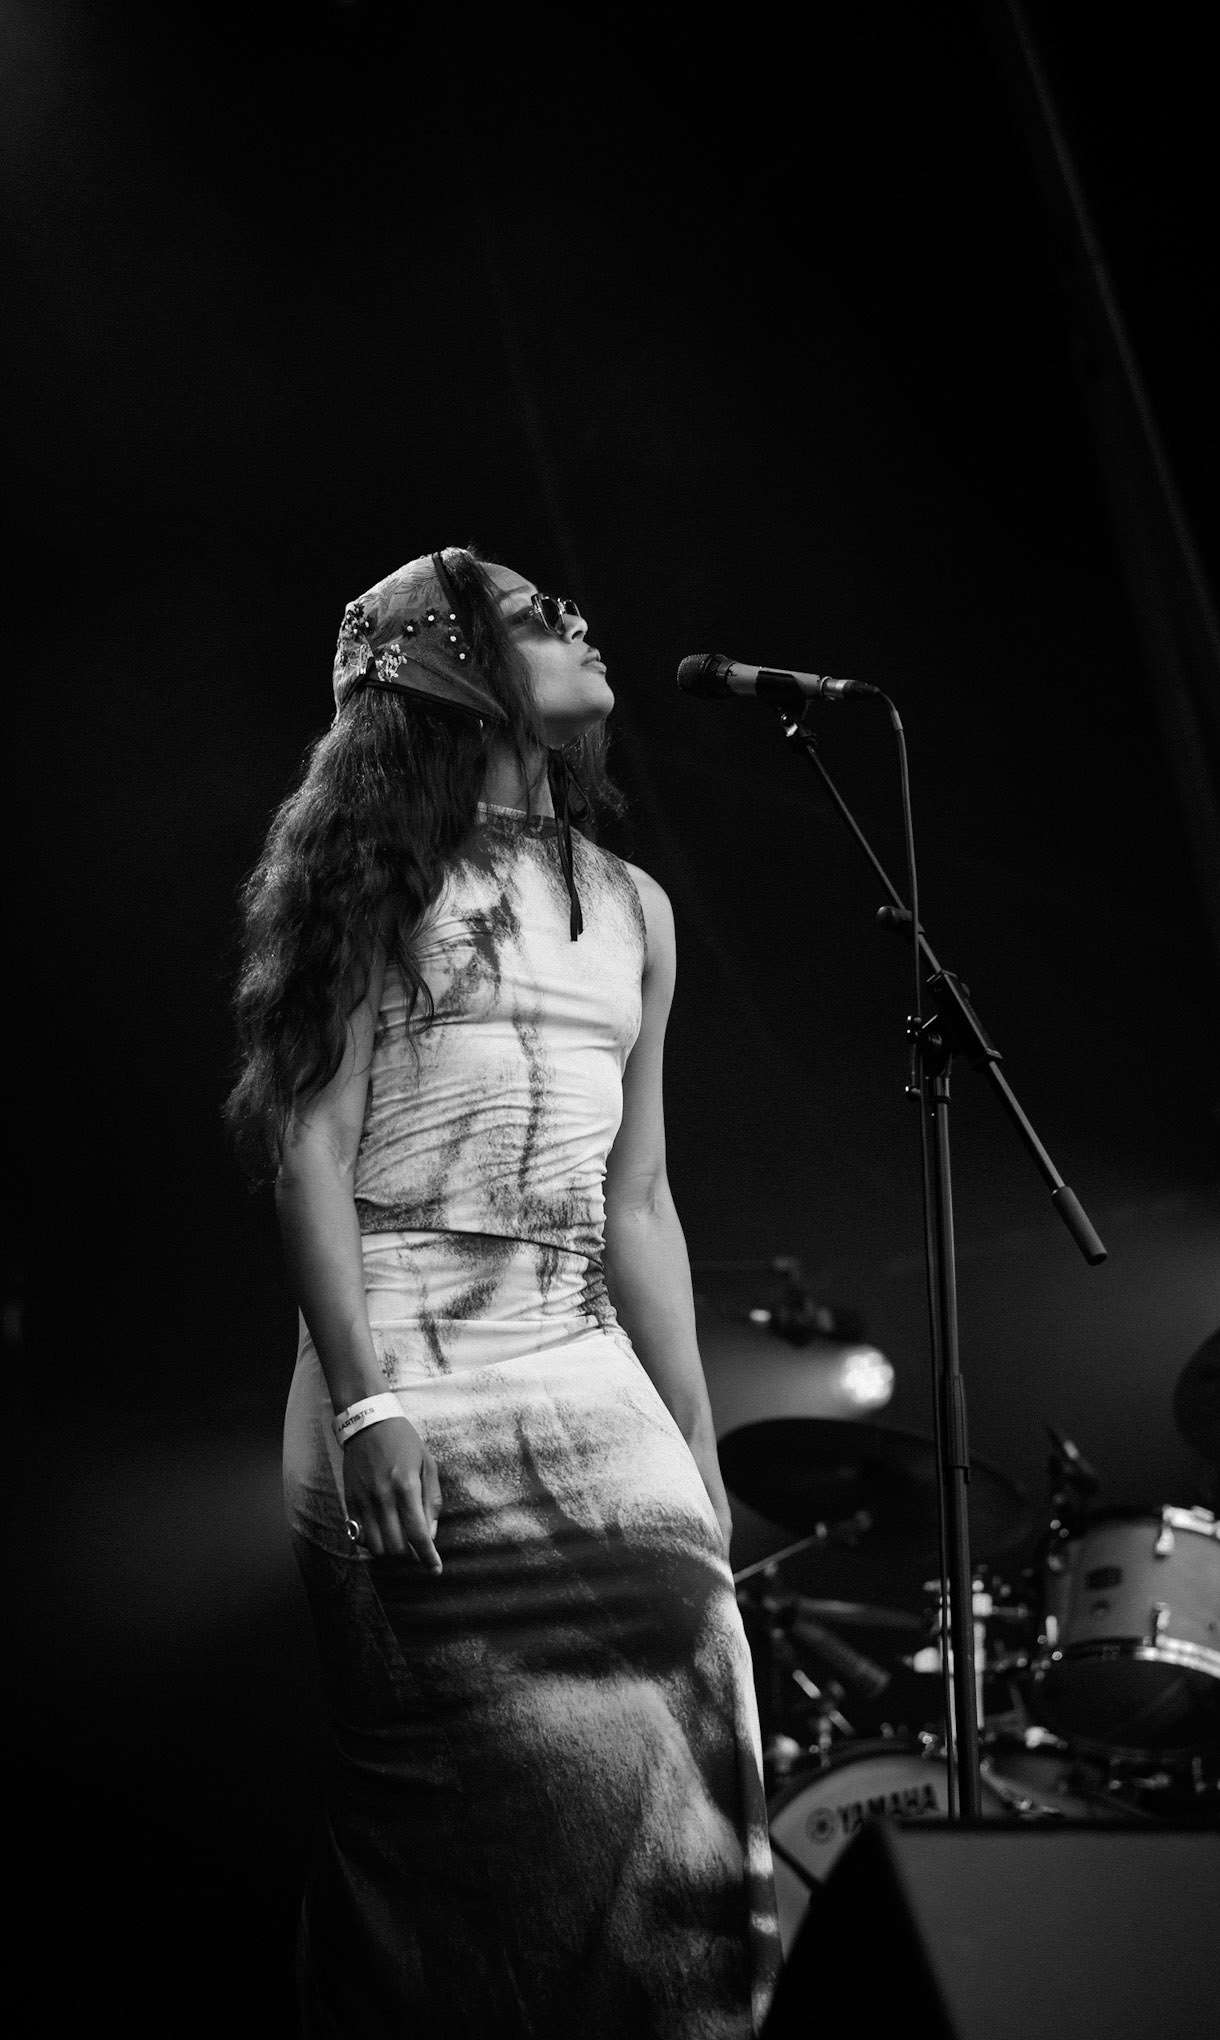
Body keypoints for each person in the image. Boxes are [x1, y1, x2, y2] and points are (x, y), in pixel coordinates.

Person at [226, 544, 780, 2038]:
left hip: (584, 1358)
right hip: (407, 1357)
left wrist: (696, 1443)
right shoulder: (374, 878)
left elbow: (640, 1197)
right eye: (535, 612)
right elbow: (307, 1148)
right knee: (459, 1822)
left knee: (697, 1741)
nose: (582, 617)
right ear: (448, 666)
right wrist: (367, 1402)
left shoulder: (634, 910)